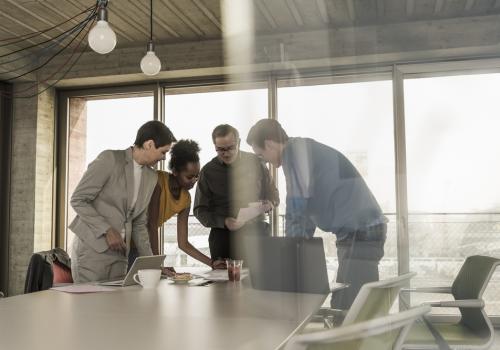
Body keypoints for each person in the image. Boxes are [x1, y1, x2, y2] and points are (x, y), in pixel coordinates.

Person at [246, 119, 387, 310]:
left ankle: (352, 339)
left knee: (349, 305)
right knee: (352, 301)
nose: (266, 161)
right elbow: (305, 208)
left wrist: (290, 254)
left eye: (261, 155)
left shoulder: (294, 155)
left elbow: (297, 206)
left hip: (360, 232)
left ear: (270, 144)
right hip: (362, 230)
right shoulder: (303, 149)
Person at [69, 120, 176, 283]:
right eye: (163, 152)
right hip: (92, 251)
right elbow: (78, 200)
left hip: (120, 255)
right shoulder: (110, 159)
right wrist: (107, 230)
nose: (164, 158)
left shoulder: (151, 177)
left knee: (116, 306)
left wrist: (152, 263)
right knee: (89, 307)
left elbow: (139, 223)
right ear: (149, 144)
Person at [193, 124, 279, 261]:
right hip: (223, 239)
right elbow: (199, 210)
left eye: (230, 148)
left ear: (238, 143)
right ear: (214, 146)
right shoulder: (208, 171)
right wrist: (224, 221)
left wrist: (269, 204)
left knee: (262, 280)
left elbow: (274, 195)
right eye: (220, 149)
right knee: (224, 281)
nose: (226, 153)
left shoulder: (256, 163)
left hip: (258, 234)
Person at [145, 140, 226, 270]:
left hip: (144, 244)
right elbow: (151, 226)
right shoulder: (158, 182)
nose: (194, 181)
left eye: (197, 176)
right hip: (130, 239)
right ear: (175, 171)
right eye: (189, 177)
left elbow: (183, 243)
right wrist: (158, 266)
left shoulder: (186, 199)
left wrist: (211, 263)